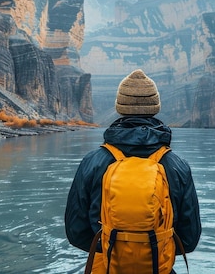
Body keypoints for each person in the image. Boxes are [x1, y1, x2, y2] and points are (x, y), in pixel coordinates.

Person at [65, 69, 202, 273]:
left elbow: (76, 233)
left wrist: (115, 251)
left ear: (119, 108)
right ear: (155, 108)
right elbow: (189, 240)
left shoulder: (92, 162)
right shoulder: (177, 166)